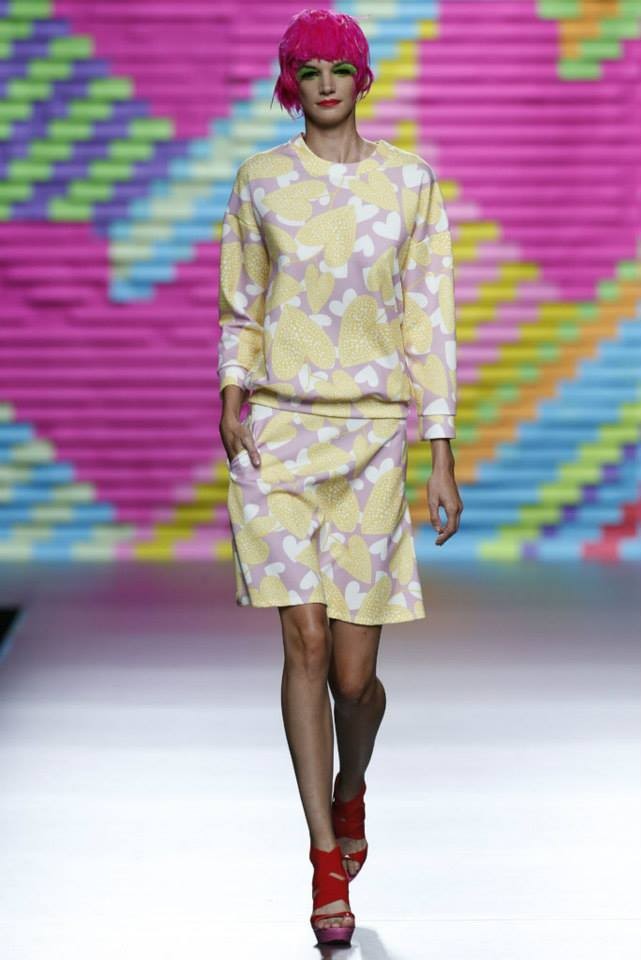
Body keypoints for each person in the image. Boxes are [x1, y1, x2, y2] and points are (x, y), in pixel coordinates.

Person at [217, 7, 463, 946]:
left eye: (338, 68)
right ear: (292, 83)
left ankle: (350, 787)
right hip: (278, 434)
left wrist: (439, 449)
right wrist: (231, 393)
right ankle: (324, 858)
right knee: (306, 646)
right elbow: (241, 306)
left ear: (361, 78)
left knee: (356, 681)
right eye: (308, 70)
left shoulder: (408, 183)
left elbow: (427, 319)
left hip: (371, 439)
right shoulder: (261, 182)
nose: (324, 83)